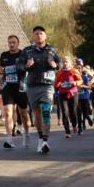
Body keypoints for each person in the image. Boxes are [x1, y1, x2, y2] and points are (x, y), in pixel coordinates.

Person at [22, 26, 61, 154]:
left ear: (45, 36)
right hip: (32, 86)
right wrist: (26, 66)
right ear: (33, 36)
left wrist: (56, 65)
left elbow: (60, 63)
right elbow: (19, 65)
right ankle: (40, 137)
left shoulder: (53, 49)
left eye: (41, 33)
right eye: (36, 34)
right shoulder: (27, 51)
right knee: (37, 114)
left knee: (45, 110)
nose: (39, 36)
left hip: (47, 85)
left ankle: (45, 140)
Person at [0, 34, 31, 148]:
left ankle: (26, 134)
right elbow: (1, 69)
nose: (11, 44)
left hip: (21, 87)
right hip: (8, 87)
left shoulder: (23, 54)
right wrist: (1, 76)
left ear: (18, 43)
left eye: (13, 42)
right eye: (9, 42)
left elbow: (29, 68)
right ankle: (9, 138)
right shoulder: (4, 55)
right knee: (8, 112)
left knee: (23, 114)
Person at [54, 56, 82, 138]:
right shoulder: (59, 72)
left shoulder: (74, 70)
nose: (65, 63)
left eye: (66, 62)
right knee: (65, 112)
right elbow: (56, 83)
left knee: (73, 111)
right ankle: (67, 131)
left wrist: (75, 83)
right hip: (62, 93)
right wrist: (59, 85)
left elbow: (80, 80)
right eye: (63, 62)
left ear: (70, 63)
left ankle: (74, 124)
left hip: (73, 93)